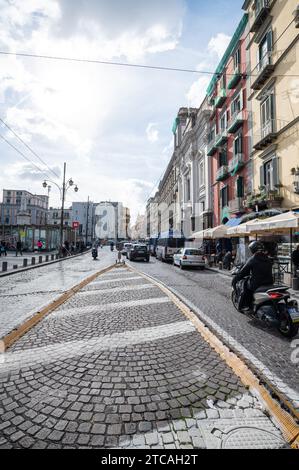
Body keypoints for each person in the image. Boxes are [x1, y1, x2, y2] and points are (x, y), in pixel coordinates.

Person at [232, 241, 273, 310]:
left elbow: (243, 272)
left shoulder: (253, 259)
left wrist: (236, 278)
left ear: (252, 250)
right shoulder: (267, 258)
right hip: (269, 282)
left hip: (257, 284)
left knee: (245, 285)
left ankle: (245, 305)